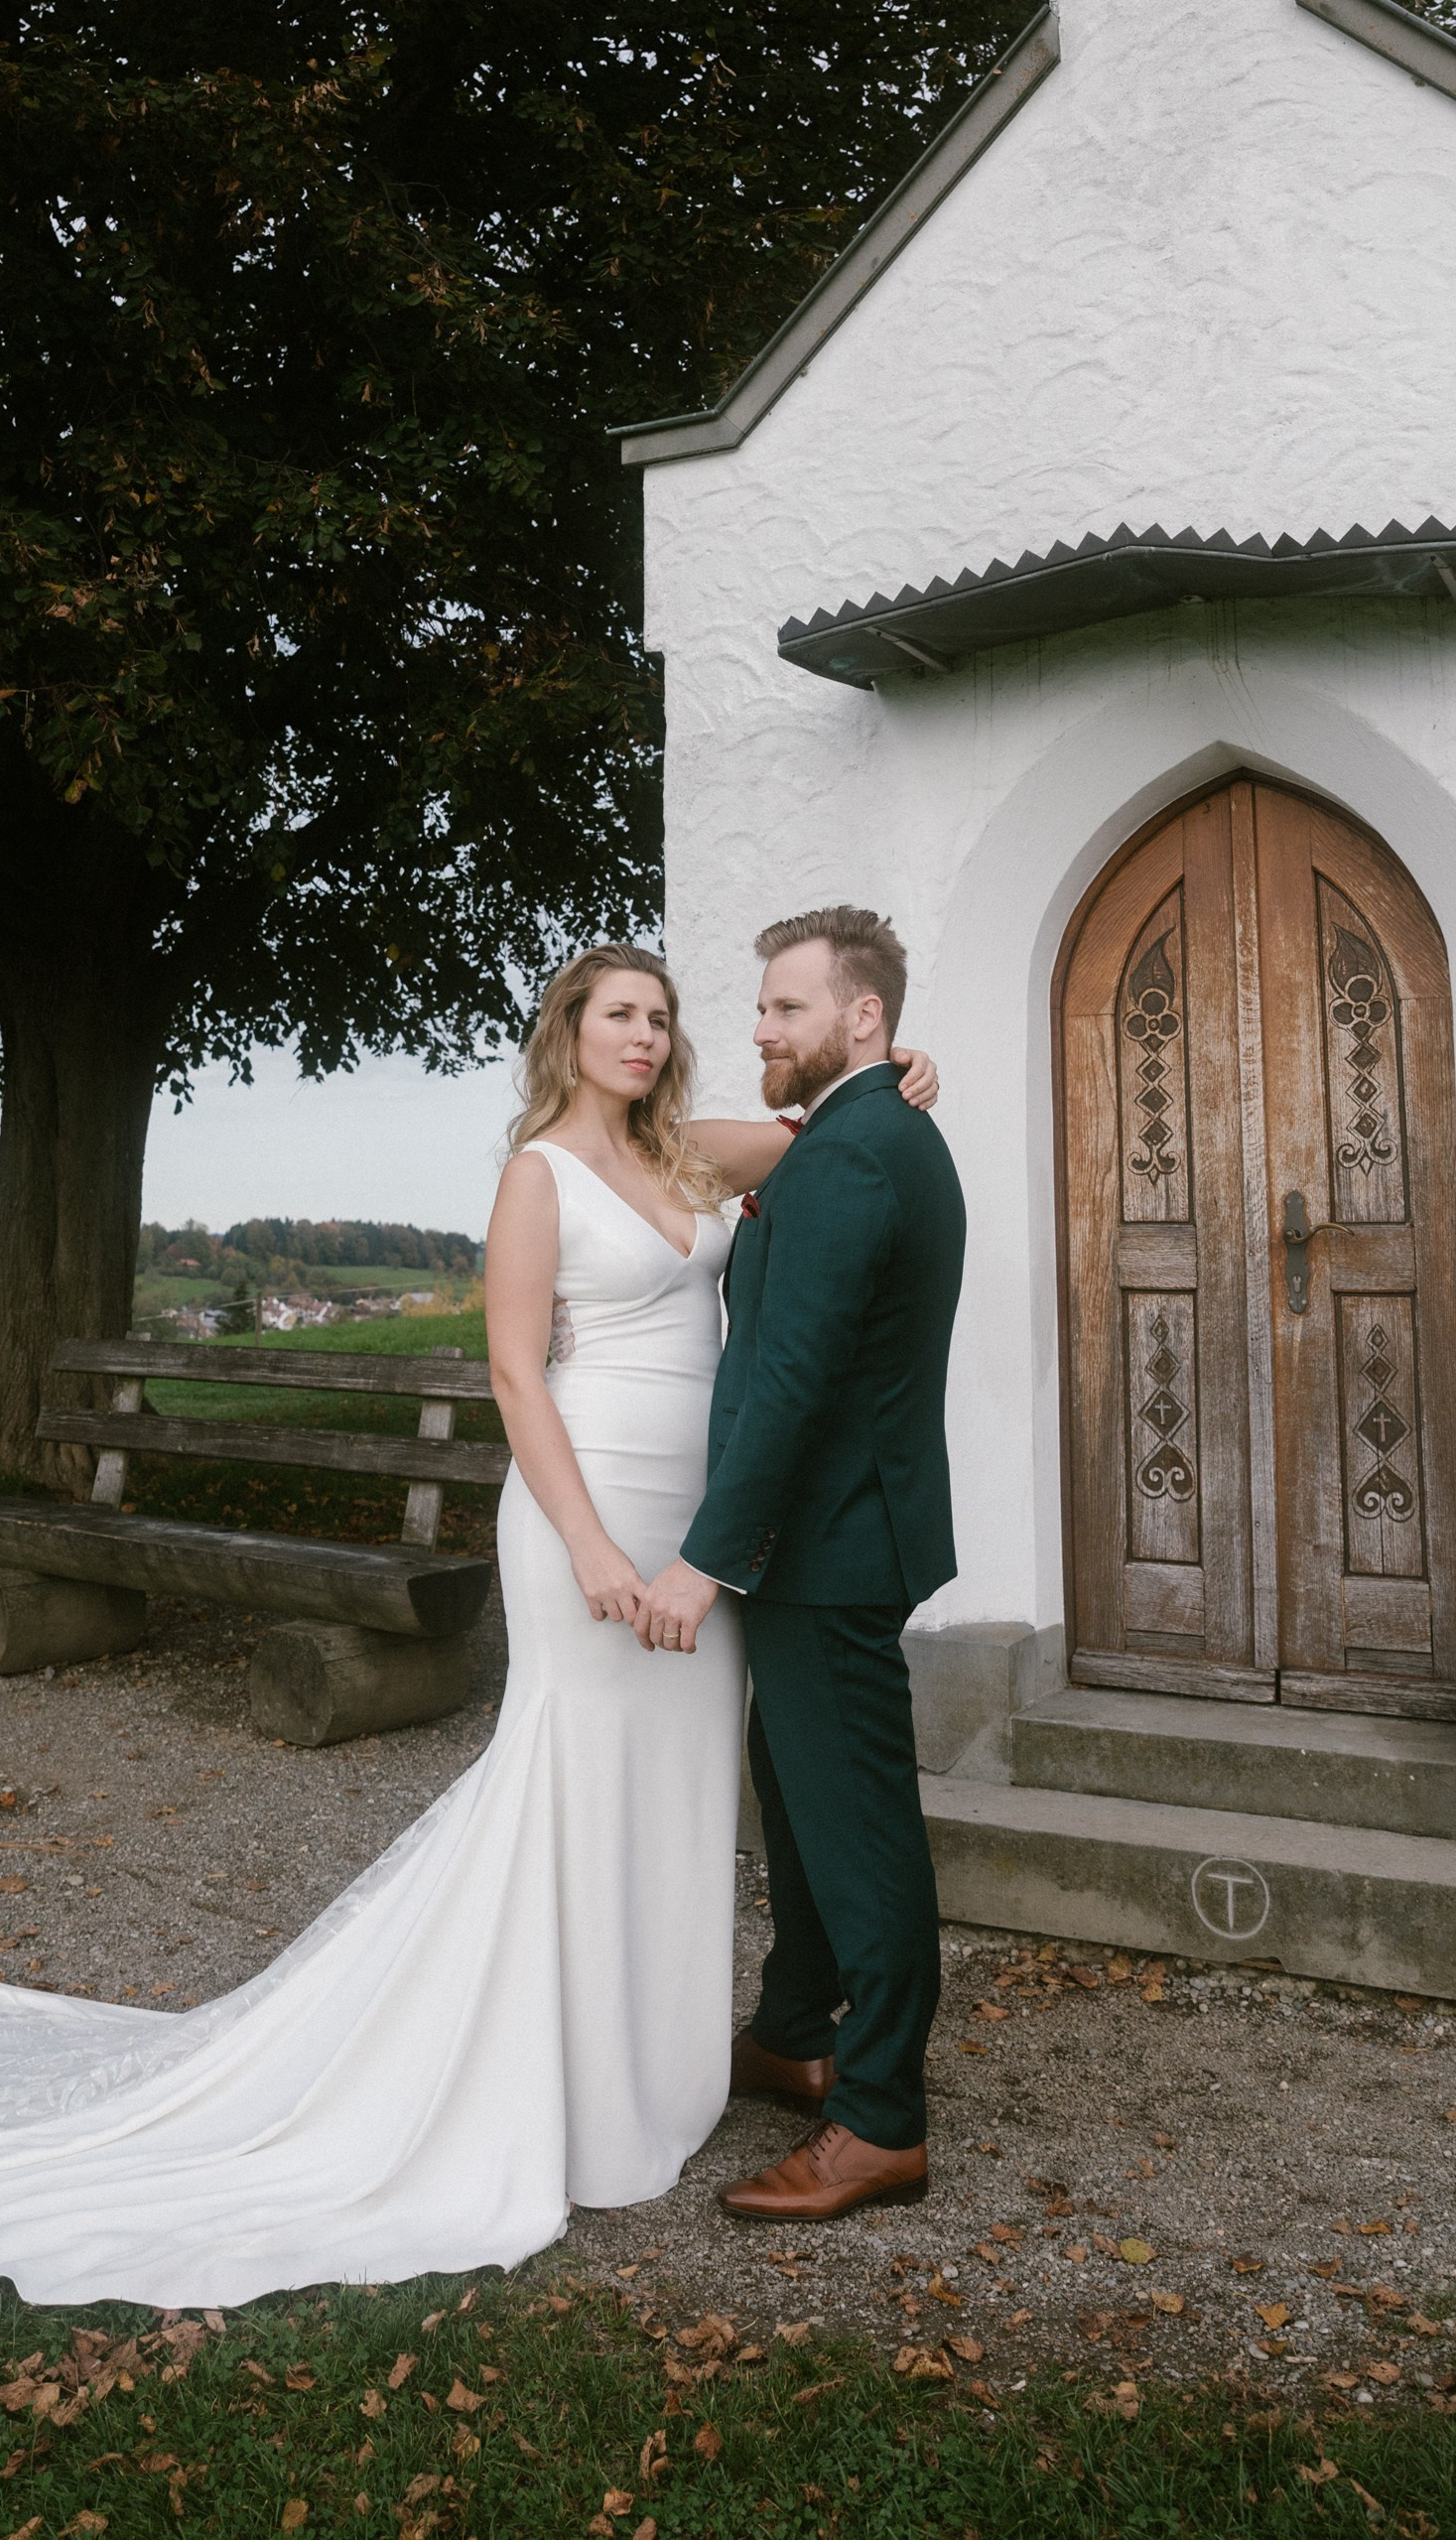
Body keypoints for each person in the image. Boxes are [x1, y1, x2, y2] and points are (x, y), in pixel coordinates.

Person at [0, 942, 938, 2307]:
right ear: (568, 1032)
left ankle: (656, 2070)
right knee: (573, 1778)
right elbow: (511, 1376)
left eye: (661, 1018)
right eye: (619, 1016)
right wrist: (596, 1550)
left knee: (671, 1792)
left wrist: (898, 1063)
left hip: (703, 1537)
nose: (647, 1038)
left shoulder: (695, 1157)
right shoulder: (537, 1174)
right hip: (590, 1518)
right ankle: (560, 2090)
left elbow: (826, 1135)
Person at [637, 906, 967, 2222]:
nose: (759, 1029)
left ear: (861, 1017)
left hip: (830, 1545)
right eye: (763, 1007)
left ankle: (879, 2115)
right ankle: (789, 2027)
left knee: (858, 1824)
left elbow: (792, 1376)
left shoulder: (856, 1155)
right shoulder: (858, 1131)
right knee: (799, 1787)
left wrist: (705, 1561)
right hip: (832, 1536)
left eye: (783, 1008)